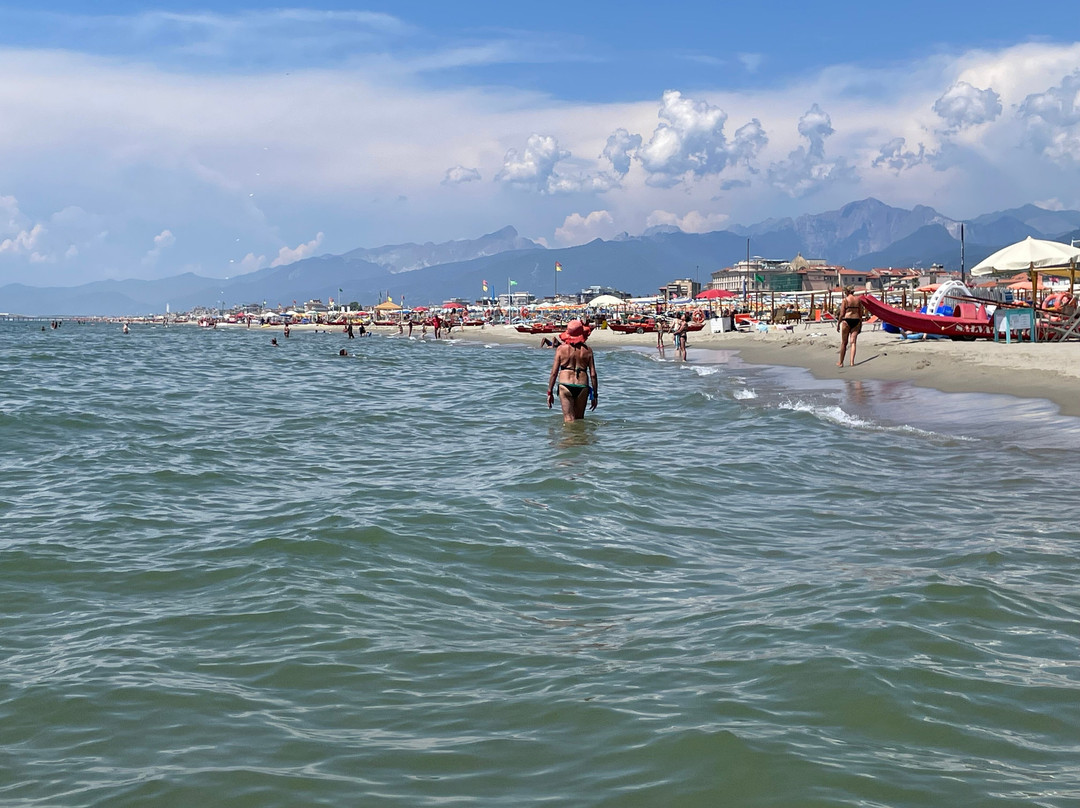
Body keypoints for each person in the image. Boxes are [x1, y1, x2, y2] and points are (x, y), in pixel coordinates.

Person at [546, 319, 598, 422]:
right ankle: (580, 438)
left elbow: (553, 373)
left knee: (569, 420)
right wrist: (595, 395)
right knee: (579, 420)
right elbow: (593, 374)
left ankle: (569, 438)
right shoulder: (588, 350)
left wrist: (549, 392)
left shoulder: (561, 349)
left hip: (565, 385)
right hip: (582, 386)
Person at [837, 286, 866, 367]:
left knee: (844, 343)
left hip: (847, 320)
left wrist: (838, 324)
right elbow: (861, 313)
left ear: (846, 292)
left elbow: (842, 314)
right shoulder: (858, 300)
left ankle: (841, 362)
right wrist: (860, 324)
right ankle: (852, 362)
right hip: (856, 320)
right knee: (853, 342)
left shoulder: (845, 300)